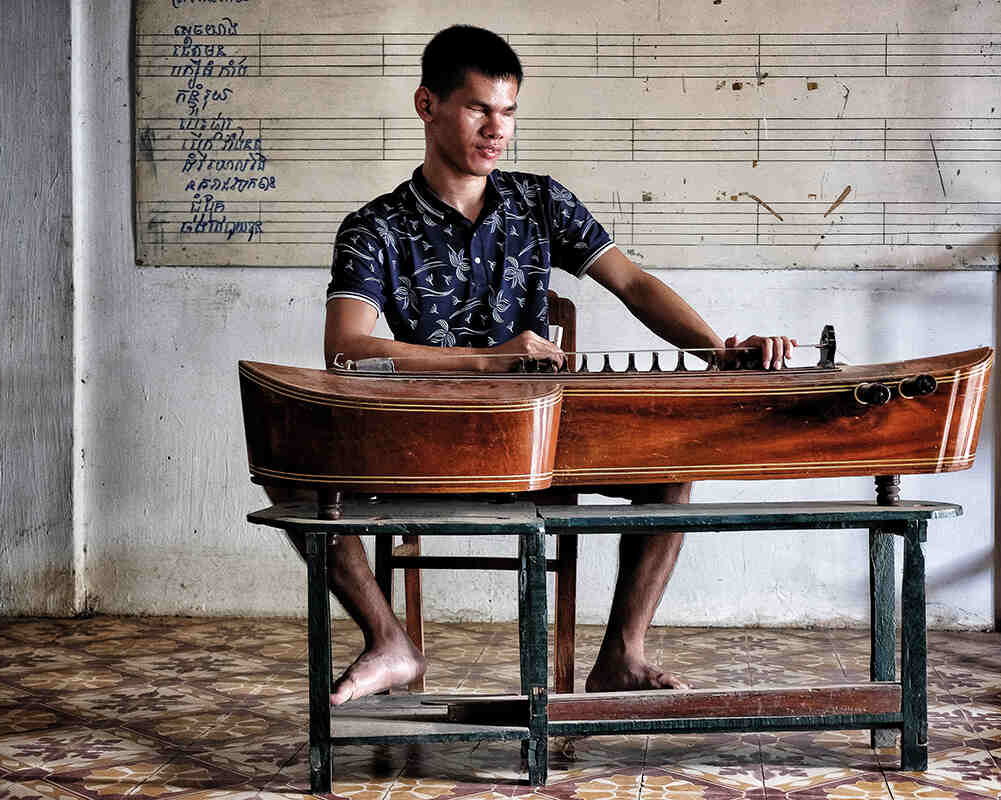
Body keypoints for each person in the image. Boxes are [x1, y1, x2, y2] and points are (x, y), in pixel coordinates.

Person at [315, 24, 795, 705]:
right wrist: (485, 363)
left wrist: (720, 352)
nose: (497, 129)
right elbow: (345, 347)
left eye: (508, 112)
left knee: (672, 469)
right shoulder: (376, 227)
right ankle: (389, 639)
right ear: (427, 106)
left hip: (542, 443)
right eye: (480, 108)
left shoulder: (541, 202)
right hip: (429, 445)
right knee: (294, 474)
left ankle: (621, 657)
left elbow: (632, 284)